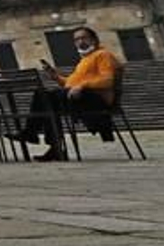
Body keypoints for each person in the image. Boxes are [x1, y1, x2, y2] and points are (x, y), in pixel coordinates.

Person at [19, 27, 122, 161]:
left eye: (83, 38)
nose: (80, 42)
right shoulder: (84, 60)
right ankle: (51, 146)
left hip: (96, 100)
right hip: (78, 96)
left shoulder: (103, 55)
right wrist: (55, 76)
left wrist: (83, 85)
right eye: (76, 39)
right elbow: (69, 84)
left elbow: (107, 80)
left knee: (46, 99)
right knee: (44, 99)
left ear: (94, 39)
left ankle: (32, 134)